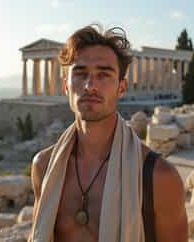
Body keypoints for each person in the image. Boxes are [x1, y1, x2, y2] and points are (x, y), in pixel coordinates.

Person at [29, 24, 188, 242]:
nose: (90, 85)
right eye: (80, 73)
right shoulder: (44, 166)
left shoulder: (159, 178)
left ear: (121, 88)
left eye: (103, 74)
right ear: (66, 86)